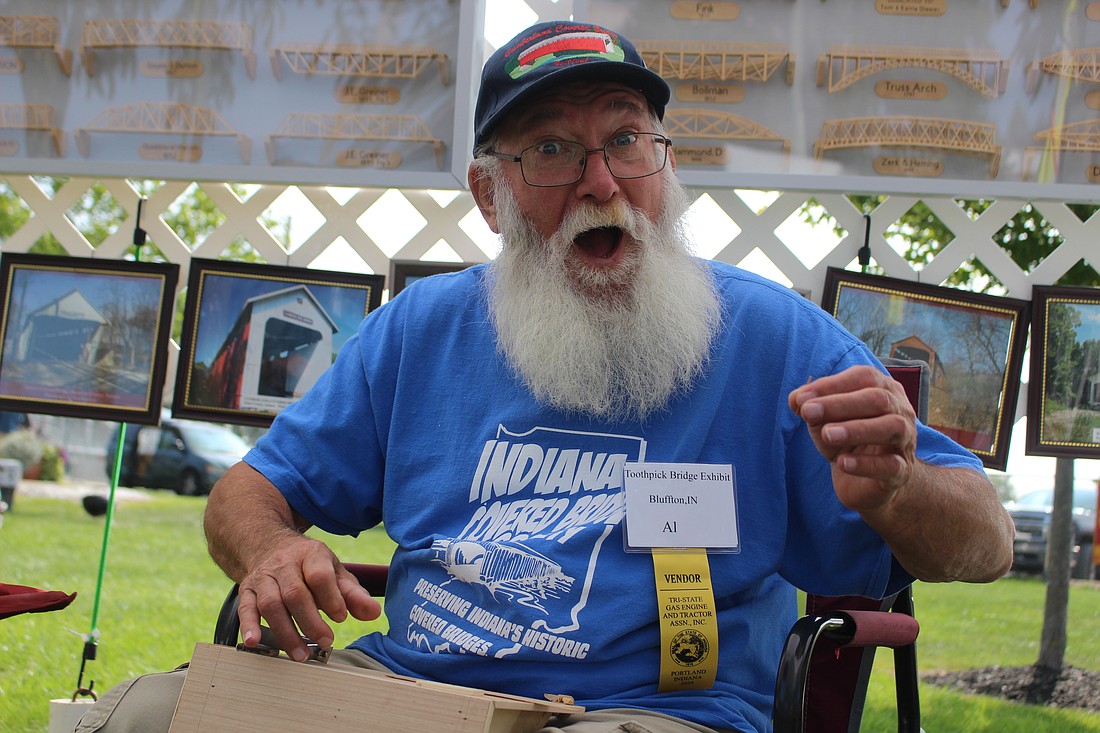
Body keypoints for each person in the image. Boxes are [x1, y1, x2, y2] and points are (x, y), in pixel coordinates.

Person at [77, 20, 1014, 733]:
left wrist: (898, 488)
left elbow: (985, 544)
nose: (600, 180)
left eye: (627, 139)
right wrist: (270, 550)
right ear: (493, 194)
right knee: (137, 717)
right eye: (554, 150)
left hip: (652, 712)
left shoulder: (771, 336)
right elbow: (241, 493)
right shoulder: (421, 330)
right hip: (412, 695)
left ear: (664, 163)